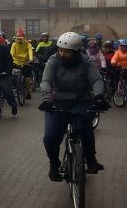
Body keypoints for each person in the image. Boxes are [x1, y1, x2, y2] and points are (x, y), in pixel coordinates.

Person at [39, 32, 107, 180]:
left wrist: (99, 96)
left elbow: (96, 80)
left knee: (85, 129)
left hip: (80, 101)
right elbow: (46, 81)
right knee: (50, 137)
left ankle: (90, 159)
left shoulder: (86, 61)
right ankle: (54, 164)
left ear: (76, 52)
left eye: (67, 52)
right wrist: (46, 99)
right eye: (60, 50)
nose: (62, 54)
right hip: (57, 103)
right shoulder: (53, 60)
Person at [10, 31, 35, 100]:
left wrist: (31, 59)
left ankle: (28, 92)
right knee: (13, 76)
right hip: (16, 62)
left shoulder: (28, 44)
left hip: (26, 62)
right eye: (18, 39)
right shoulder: (14, 44)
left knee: (27, 78)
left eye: (20, 39)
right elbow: (11, 53)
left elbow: (30, 51)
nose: (19, 40)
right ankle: (15, 89)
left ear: (23, 39)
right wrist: (10, 59)